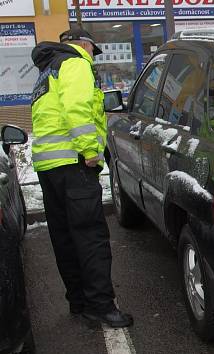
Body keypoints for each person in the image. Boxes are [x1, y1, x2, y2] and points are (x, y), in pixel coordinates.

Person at [30, 27, 133, 327]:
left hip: (49, 168)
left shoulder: (47, 71)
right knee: (91, 237)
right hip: (74, 164)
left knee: (64, 238)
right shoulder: (75, 64)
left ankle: (79, 302)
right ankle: (102, 307)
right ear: (84, 45)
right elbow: (77, 109)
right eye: (92, 49)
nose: (92, 55)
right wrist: (91, 151)